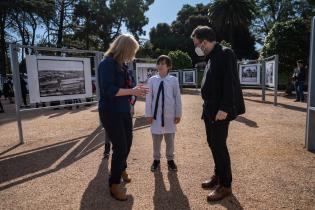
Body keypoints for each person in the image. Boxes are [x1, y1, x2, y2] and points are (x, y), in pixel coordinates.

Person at [191, 26, 245, 202]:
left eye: (197, 44)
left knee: (219, 145)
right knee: (212, 143)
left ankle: (226, 185)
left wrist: (225, 108)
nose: (197, 47)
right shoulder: (211, 57)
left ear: (205, 41)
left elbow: (230, 82)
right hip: (209, 109)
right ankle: (218, 176)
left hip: (220, 111)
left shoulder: (225, 53)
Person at [98, 34, 148, 201]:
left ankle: (121, 168)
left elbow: (126, 87)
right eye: (131, 51)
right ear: (124, 48)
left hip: (124, 110)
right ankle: (114, 184)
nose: (132, 55)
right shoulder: (107, 64)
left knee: (128, 142)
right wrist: (132, 91)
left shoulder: (123, 65)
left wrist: (135, 88)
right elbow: (109, 90)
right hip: (110, 111)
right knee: (120, 147)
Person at [145, 55, 182, 172]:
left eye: (163, 63)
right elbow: (149, 98)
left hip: (169, 116)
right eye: (158, 63)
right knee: (156, 139)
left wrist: (178, 114)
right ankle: (156, 160)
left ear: (168, 66)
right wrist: (149, 114)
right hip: (156, 117)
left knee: (170, 139)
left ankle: (170, 160)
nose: (160, 66)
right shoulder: (151, 80)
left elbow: (177, 98)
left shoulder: (173, 80)